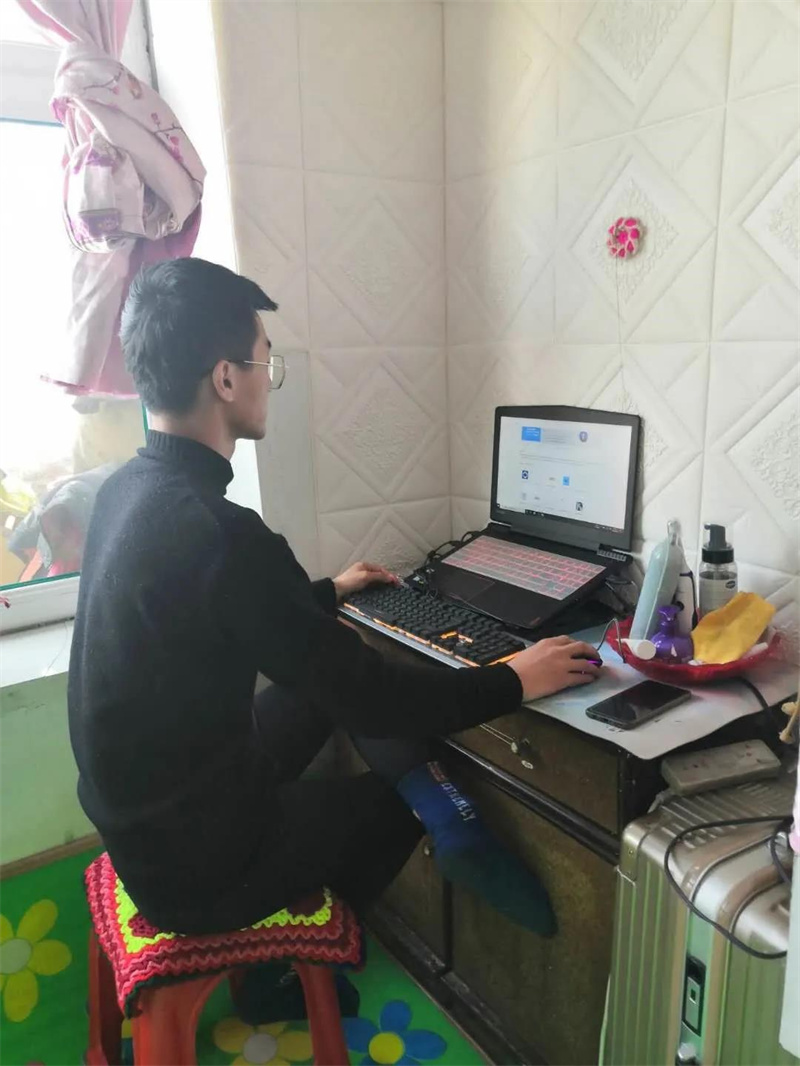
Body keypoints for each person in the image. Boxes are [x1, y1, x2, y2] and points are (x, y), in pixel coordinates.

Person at [68, 258, 602, 1015]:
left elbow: (216, 609)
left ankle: (403, 821)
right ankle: (281, 971)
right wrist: (517, 678)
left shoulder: (129, 491)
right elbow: (374, 698)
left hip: (145, 824)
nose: (269, 380)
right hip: (192, 872)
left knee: (314, 690)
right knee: (386, 797)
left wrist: (327, 593)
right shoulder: (221, 532)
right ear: (226, 378)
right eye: (266, 362)